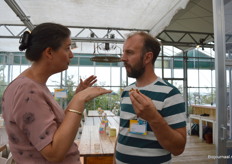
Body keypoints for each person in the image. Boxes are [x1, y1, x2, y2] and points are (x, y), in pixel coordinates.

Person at [2, 22, 111, 164]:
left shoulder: (33, 86)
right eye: (67, 48)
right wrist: (79, 100)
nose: (71, 55)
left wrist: (76, 97)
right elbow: (54, 153)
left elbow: (53, 132)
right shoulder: (27, 90)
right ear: (49, 52)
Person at [114, 32, 186, 164]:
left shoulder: (170, 93)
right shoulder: (126, 91)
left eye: (129, 53)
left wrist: (153, 118)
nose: (123, 58)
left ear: (147, 58)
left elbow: (178, 148)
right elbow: (123, 132)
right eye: (123, 52)